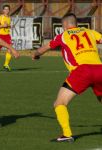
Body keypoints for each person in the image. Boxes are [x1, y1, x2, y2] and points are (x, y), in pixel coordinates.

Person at [32, 13, 102, 142]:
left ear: (64, 25)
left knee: (60, 103)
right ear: (76, 23)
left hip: (82, 71)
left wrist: (35, 54)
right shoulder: (90, 32)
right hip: (100, 69)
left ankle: (67, 134)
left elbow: (45, 48)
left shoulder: (63, 36)